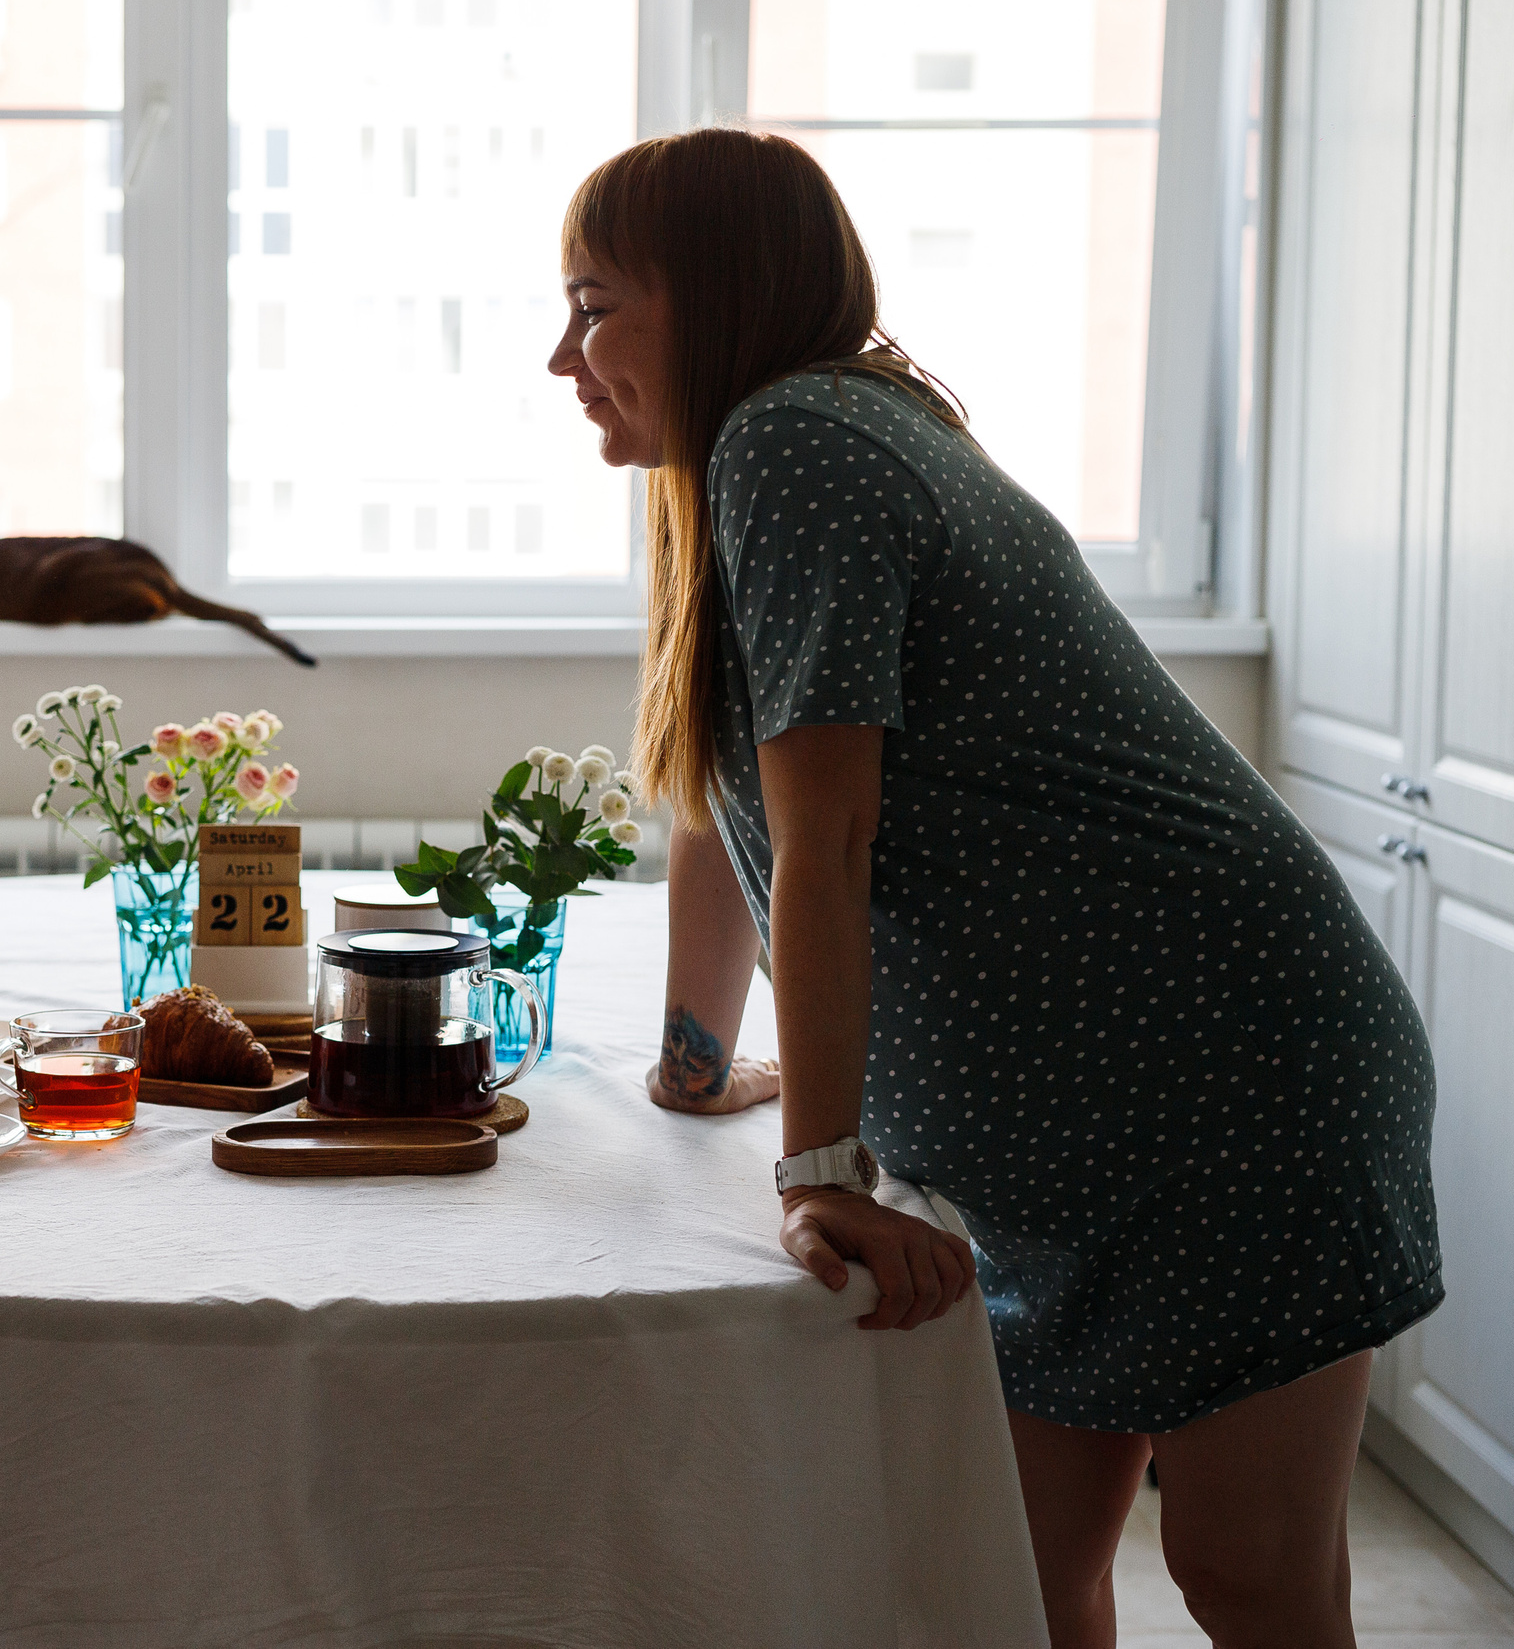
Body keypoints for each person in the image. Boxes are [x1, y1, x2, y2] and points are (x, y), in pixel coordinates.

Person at [551, 128, 1441, 1649]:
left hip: (1226, 1082)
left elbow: (829, 847)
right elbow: (727, 811)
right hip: (1069, 1136)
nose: (562, 357)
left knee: (1247, 1573)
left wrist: (817, 1170)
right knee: (1008, 1584)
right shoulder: (763, 456)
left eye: (592, 306)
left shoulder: (795, 441)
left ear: (715, 294)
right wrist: (699, 1065)